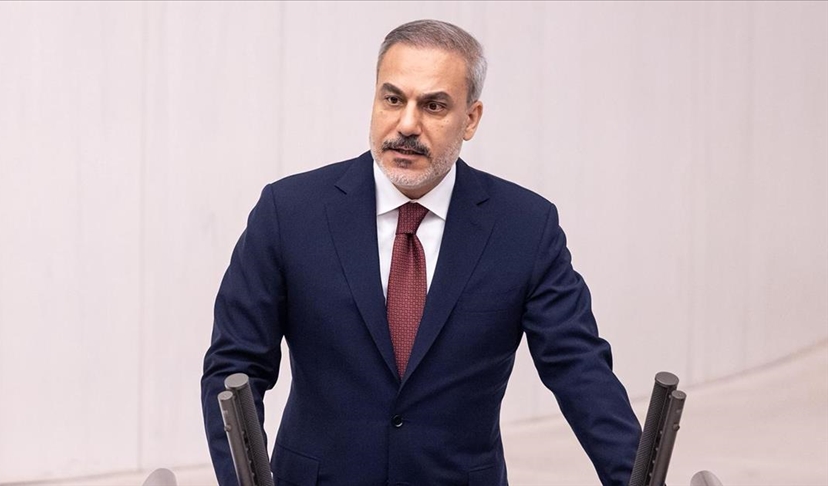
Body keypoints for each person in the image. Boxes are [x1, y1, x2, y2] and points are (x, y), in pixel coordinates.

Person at [202, 19, 641, 486]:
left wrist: (637, 477)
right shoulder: (289, 213)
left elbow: (579, 369)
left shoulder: (525, 228)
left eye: (434, 106)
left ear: (470, 119)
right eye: (393, 99)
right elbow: (235, 369)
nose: (407, 125)